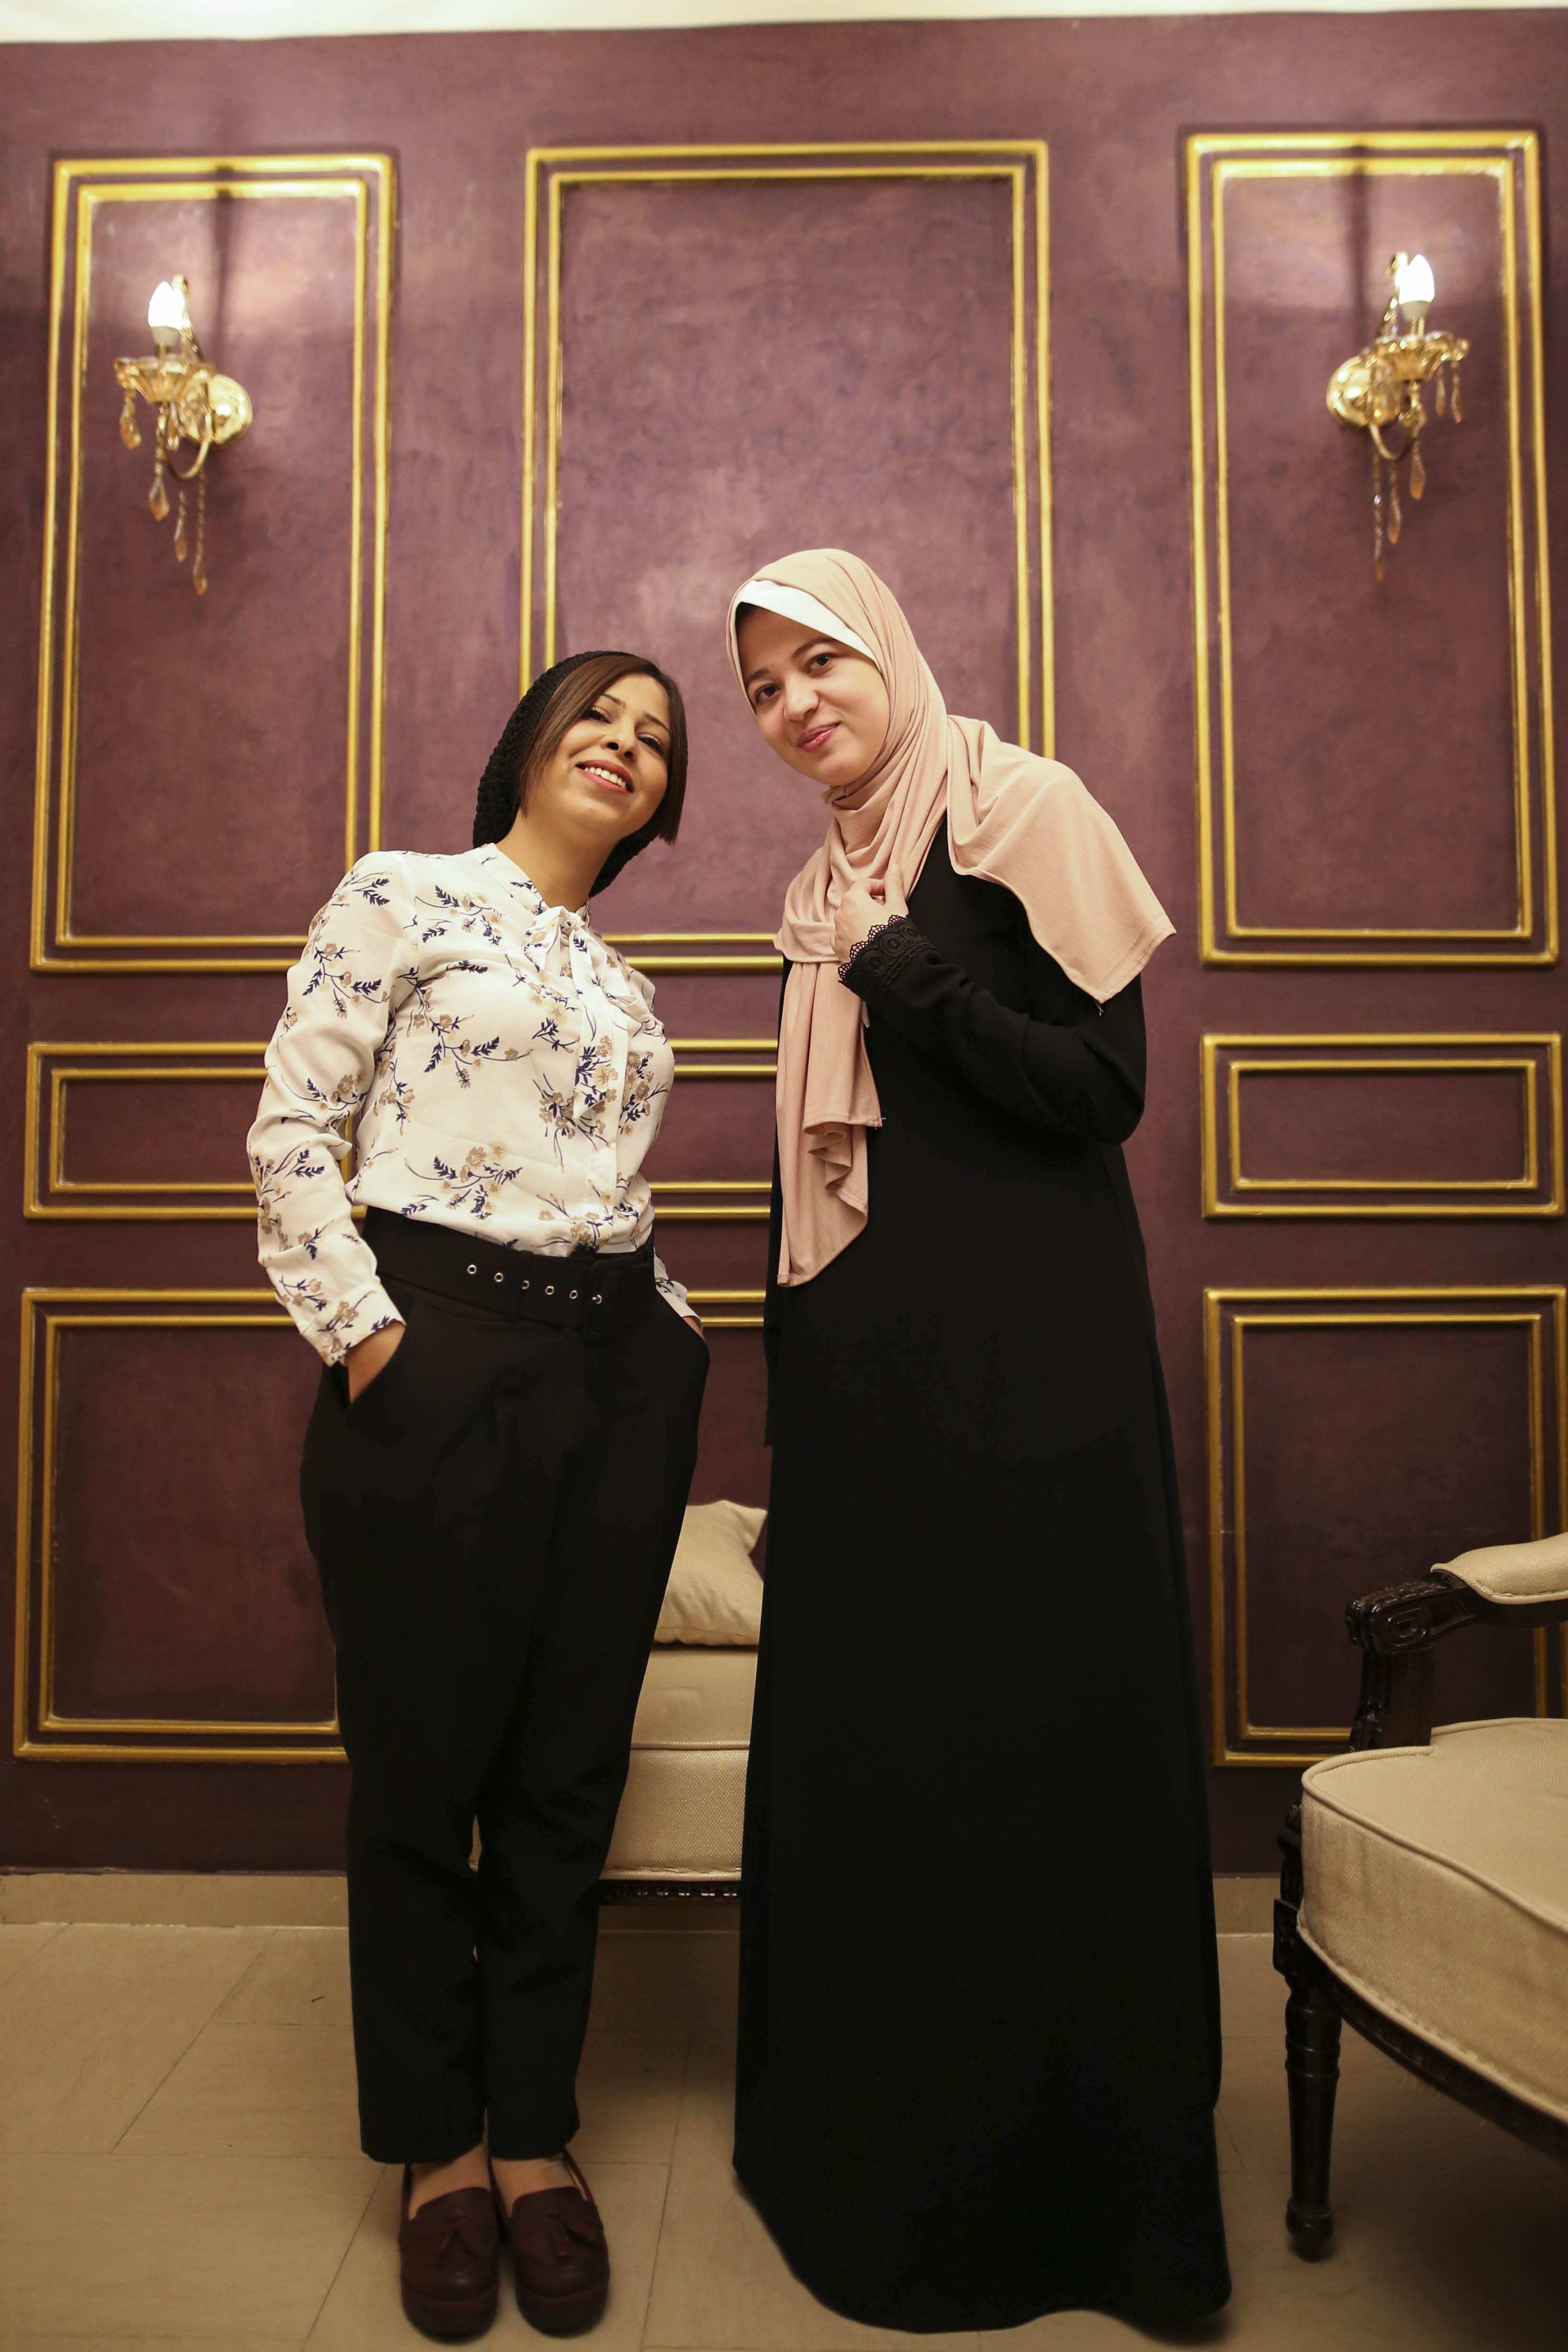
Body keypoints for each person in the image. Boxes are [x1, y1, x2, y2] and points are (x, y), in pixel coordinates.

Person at [725, 551, 1231, 2332]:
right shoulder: (817, 891)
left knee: (1036, 1726)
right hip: (869, 1385)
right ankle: (878, 2184)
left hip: (1033, 1368)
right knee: (894, 1740)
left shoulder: (1023, 810)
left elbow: (1103, 1091)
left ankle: (1082, 2215)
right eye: (763, 688)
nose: (797, 706)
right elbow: (812, 1191)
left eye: (819, 663)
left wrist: (903, 974)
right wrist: (797, 1425)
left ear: (888, 650)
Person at [247, 650, 710, 2341]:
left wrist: (667, 1337)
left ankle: (533, 2138)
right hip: (436, 1348)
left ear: (660, 807)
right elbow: (294, 1128)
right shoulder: (403, 891)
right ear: (529, 742)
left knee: (565, 1776)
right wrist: (375, 1338)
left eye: (656, 741)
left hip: (615, 1374)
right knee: (420, 1773)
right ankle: (436, 2150)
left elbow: (600, 1182)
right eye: (600, 716)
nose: (626, 746)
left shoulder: (624, 981)